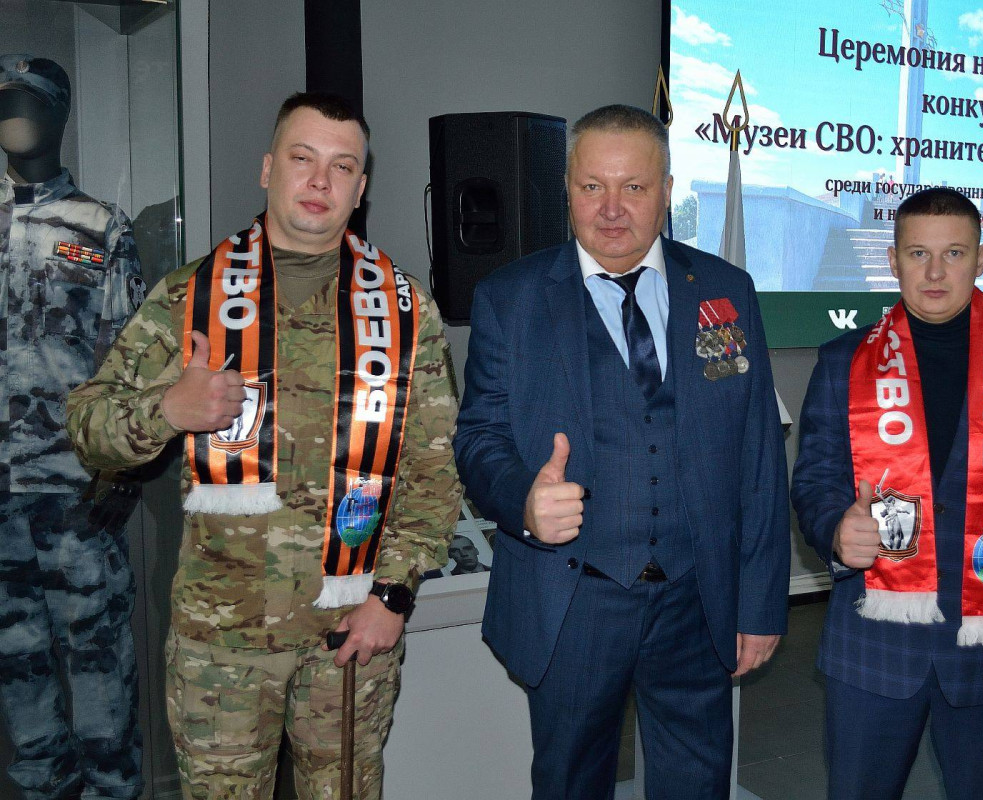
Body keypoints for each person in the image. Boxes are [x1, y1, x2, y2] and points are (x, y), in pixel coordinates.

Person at [66, 92, 462, 799]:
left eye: (343, 167)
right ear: (268, 168)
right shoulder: (191, 297)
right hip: (222, 645)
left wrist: (393, 596)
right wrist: (168, 409)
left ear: (361, 189)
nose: (320, 181)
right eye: (303, 159)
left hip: (352, 637)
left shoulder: (405, 310)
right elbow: (88, 428)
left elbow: (434, 471)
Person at [454, 104, 790, 799]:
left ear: (666, 191)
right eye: (592, 187)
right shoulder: (511, 299)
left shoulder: (725, 291)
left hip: (698, 598)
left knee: (698, 783)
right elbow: (478, 437)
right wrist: (522, 499)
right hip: (574, 599)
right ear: (567, 188)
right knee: (571, 782)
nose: (611, 209)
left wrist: (760, 605)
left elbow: (758, 456)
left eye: (633, 187)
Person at [791, 187, 983, 800]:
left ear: (981, 259)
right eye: (918, 254)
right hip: (873, 650)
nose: (935, 272)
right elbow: (814, 482)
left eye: (954, 253)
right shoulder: (842, 362)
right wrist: (834, 529)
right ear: (893, 260)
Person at [0, 53, 145, 799]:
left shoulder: (98, 227)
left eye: (30, 102)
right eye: (4, 102)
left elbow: (134, 358)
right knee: (17, 674)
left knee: (98, 670)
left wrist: (124, 470)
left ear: (61, 114)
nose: (14, 116)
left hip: (76, 489)